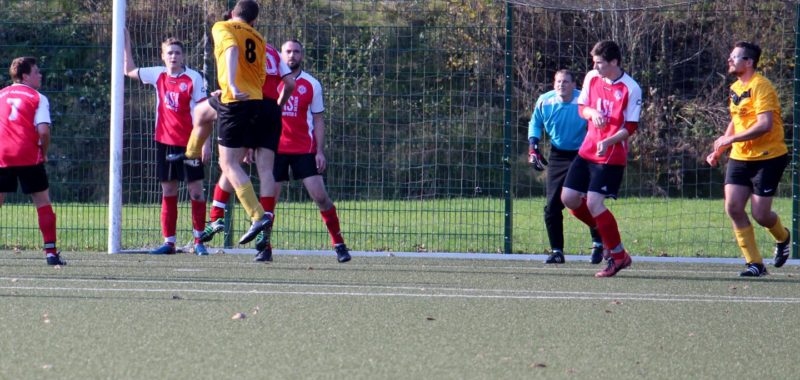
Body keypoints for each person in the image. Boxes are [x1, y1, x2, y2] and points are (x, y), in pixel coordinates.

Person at [192, 18, 295, 262]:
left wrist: (227, 89)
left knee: (229, 162)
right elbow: (289, 83)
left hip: (244, 103)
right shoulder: (266, 46)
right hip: (269, 110)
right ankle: (264, 241)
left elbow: (236, 65)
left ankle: (217, 215)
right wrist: (278, 105)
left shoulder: (233, 37)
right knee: (263, 170)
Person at [259, 39, 352, 263]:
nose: (292, 56)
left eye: (296, 52)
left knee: (321, 197)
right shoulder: (269, 82)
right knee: (269, 202)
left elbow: (318, 119)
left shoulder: (312, 84)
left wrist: (320, 151)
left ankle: (339, 244)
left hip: (304, 149)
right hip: (275, 149)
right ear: (280, 55)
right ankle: (265, 248)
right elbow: (261, 116)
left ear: (302, 55)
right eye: (288, 52)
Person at [706, 41, 791, 277]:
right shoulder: (735, 87)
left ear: (749, 62)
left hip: (768, 157)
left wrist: (729, 141)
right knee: (733, 207)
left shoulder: (761, 86)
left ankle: (783, 237)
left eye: (735, 57)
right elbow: (737, 120)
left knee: (761, 215)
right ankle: (755, 263)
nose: (729, 61)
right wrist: (720, 148)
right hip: (740, 156)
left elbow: (764, 125)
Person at [123, 28, 210, 255]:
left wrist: (205, 143)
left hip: (191, 143)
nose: (173, 56)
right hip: (165, 141)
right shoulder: (158, 75)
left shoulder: (193, 78)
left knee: (196, 192)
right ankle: (169, 242)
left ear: (183, 56)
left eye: (177, 53)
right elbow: (129, 70)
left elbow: (204, 112)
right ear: (163, 56)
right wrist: (125, 41)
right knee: (169, 190)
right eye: (169, 53)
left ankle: (199, 241)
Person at [560, 40, 642, 278]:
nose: (595, 67)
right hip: (587, 150)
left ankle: (618, 256)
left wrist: (608, 141)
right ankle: (602, 232)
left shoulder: (631, 88)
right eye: (594, 62)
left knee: (595, 203)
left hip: (611, 155)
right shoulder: (591, 78)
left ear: (614, 62)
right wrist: (593, 112)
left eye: (600, 63)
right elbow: (582, 107)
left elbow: (631, 126)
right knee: (569, 199)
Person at [196, 0, 273, 246]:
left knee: (228, 163)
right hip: (256, 102)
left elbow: (231, 50)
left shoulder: (222, 27)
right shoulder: (259, 38)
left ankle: (258, 215)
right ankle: (216, 214)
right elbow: (261, 75)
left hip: (234, 100)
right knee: (202, 114)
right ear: (253, 21)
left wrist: (230, 84)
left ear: (232, 14)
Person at [529, 69, 604, 265]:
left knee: (588, 201)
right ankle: (557, 252)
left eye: (565, 82)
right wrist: (533, 146)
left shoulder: (583, 101)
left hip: (583, 153)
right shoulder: (545, 101)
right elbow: (535, 123)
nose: (561, 85)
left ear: (573, 85)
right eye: (558, 82)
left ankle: (598, 243)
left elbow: (596, 125)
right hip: (558, 155)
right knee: (552, 205)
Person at [0, 57, 66, 265]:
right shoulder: (37, 97)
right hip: (28, 155)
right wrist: (43, 152)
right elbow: (44, 131)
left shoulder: (1, 95)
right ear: (25, 76)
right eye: (36, 71)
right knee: (42, 202)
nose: (40, 75)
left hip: (2, 155)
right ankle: (51, 253)